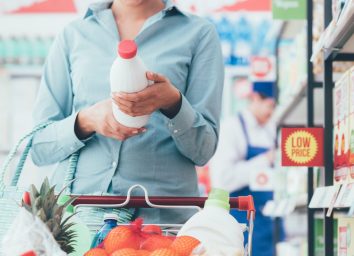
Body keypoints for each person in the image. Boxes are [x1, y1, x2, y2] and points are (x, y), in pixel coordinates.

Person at [30, 0, 224, 224]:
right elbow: (38, 147)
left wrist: (173, 103)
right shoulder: (74, 35)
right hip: (79, 223)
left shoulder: (198, 34)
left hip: (160, 225)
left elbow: (203, 151)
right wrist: (85, 121)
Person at [210, 81, 284, 256]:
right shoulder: (232, 128)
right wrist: (264, 160)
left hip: (269, 223)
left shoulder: (272, 130)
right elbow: (223, 180)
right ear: (256, 98)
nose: (272, 112)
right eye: (270, 106)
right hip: (241, 222)